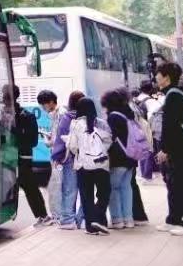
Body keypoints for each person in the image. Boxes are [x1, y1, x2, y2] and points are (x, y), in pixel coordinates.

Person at [154, 62, 183, 235]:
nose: (156, 77)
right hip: (182, 145)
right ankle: (174, 219)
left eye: (158, 74)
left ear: (166, 77)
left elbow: (170, 126)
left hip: (178, 148)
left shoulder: (173, 96)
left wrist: (165, 149)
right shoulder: (176, 94)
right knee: (176, 184)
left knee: (181, 185)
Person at [66, 96, 113, 235]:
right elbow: (109, 141)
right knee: (104, 192)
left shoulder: (75, 124)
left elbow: (73, 146)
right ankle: (100, 219)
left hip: (83, 165)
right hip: (101, 163)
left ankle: (91, 226)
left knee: (86, 196)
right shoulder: (101, 123)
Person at [103, 89, 142, 228]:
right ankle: (128, 219)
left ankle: (117, 219)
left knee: (113, 188)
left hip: (118, 158)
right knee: (126, 187)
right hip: (131, 156)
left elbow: (110, 138)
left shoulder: (113, 117)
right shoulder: (128, 114)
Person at [13, 98, 53, 225]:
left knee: (29, 186)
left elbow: (33, 140)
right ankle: (41, 216)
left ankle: (43, 215)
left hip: (24, 157)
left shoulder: (26, 116)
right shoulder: (6, 114)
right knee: (27, 186)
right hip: (12, 156)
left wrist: (17, 135)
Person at [51, 90, 86, 230]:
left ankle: (67, 220)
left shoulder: (67, 118)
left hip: (70, 157)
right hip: (86, 158)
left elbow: (61, 140)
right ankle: (81, 218)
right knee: (86, 189)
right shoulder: (88, 117)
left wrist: (56, 157)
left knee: (69, 189)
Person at [37, 90, 63, 223]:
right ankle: (59, 215)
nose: (43, 108)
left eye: (44, 104)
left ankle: (59, 216)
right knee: (55, 187)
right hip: (57, 156)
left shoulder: (60, 114)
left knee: (55, 187)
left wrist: (49, 142)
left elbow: (59, 137)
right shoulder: (55, 114)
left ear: (51, 102)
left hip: (59, 157)